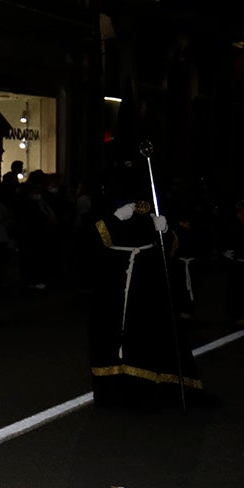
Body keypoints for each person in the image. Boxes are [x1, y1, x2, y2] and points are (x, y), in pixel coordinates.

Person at [88, 172, 205, 409]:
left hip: (146, 280)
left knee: (146, 334)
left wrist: (165, 230)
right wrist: (114, 219)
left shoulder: (154, 199)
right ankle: (111, 391)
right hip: (112, 282)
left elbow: (170, 247)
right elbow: (90, 240)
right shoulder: (105, 205)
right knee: (110, 335)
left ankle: (144, 390)